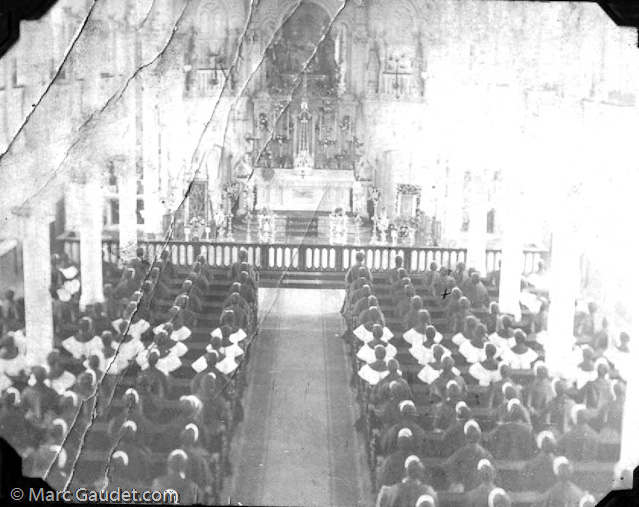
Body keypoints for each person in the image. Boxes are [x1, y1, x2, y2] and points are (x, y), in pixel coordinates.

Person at [442, 420, 494, 492]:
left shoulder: (460, 453)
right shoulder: (486, 454)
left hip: (473, 489)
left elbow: (447, 467)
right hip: (470, 489)